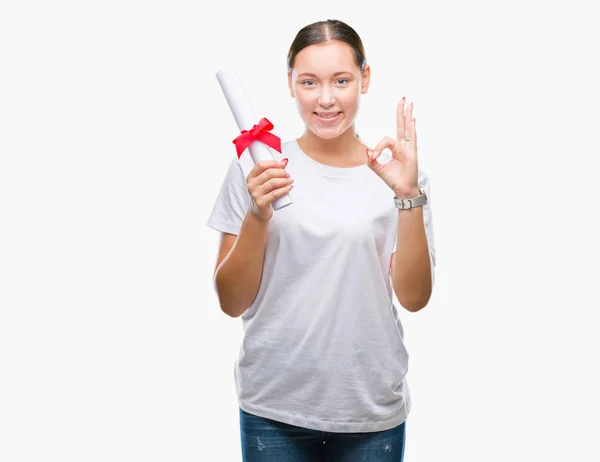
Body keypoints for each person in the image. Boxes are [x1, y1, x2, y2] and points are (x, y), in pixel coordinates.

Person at [207, 18, 436, 461]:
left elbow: (415, 298)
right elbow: (231, 300)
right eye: (309, 81)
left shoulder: (400, 178)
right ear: (290, 83)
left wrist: (408, 196)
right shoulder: (256, 172)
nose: (326, 98)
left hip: (368, 408)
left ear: (364, 79)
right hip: (273, 405)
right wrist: (259, 213)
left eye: (341, 80)